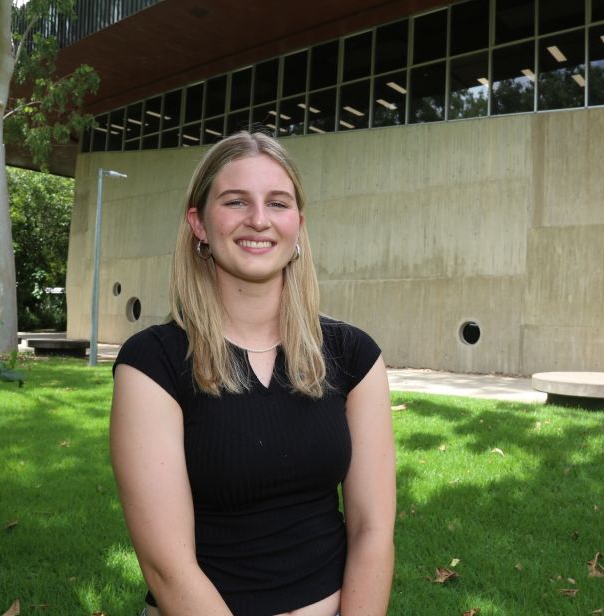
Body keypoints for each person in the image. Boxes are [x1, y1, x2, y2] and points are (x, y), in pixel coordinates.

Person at [110, 130, 396, 616]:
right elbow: (167, 567)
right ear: (199, 223)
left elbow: (372, 530)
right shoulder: (151, 365)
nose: (259, 220)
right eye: (236, 201)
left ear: (298, 225)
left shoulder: (354, 356)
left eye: (277, 203)